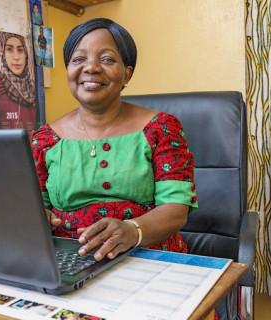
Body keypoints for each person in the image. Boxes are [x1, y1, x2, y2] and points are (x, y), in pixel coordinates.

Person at [31, 18, 198, 263]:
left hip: (149, 256)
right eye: (78, 59)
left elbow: (176, 210)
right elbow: (36, 208)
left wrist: (132, 230)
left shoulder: (160, 128)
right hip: (69, 258)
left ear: (126, 73)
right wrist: (37, 217)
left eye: (107, 59)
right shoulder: (44, 139)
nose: (91, 68)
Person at [0, 32, 37, 130]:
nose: (16, 57)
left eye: (20, 50)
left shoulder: (33, 88)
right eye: (9, 49)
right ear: (3, 53)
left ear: (26, 54)